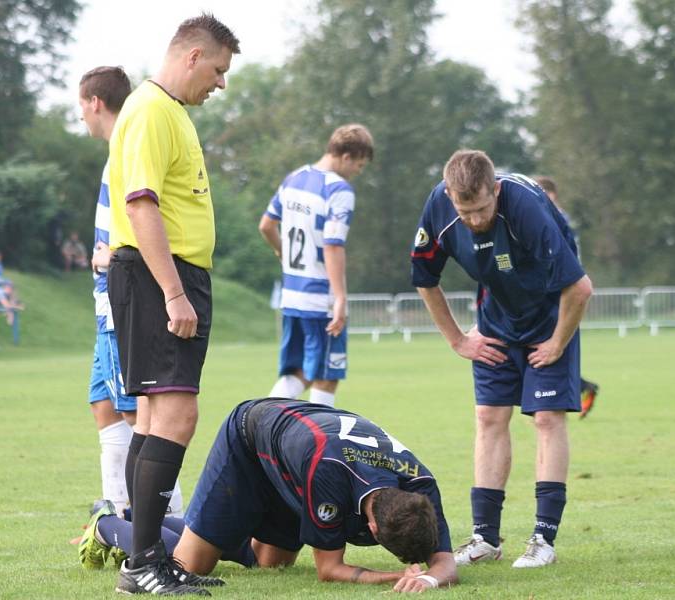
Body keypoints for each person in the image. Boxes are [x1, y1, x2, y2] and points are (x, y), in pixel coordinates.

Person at [106, 13, 240, 595]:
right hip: (160, 277)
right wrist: (175, 292)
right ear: (191, 56)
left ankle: (146, 555)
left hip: (166, 276)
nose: (221, 83)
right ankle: (143, 564)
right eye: (218, 69)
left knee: (159, 417)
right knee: (178, 416)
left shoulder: (169, 111)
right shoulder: (152, 109)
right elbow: (141, 206)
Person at [410, 150, 592, 569]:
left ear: (495, 190)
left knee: (546, 419)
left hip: (551, 317)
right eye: (464, 210)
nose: (473, 219)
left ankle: (543, 539)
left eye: (480, 209)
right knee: (489, 418)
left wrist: (558, 343)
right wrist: (457, 340)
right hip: (496, 319)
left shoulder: (525, 208)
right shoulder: (439, 205)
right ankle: (484, 538)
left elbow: (579, 288)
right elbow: (424, 278)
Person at [79, 398, 458, 595]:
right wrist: (395, 575)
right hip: (249, 437)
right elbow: (329, 571)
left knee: (270, 561)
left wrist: (428, 579)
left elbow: (445, 563)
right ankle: (109, 524)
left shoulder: (420, 485)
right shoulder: (328, 476)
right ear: (372, 527)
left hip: (294, 452)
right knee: (192, 564)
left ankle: (151, 521)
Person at [78, 65, 186, 519]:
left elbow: (140, 216)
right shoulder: (115, 151)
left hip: (121, 303)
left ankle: (166, 521)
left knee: (140, 416)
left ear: (94, 103)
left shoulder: (126, 148)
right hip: (107, 306)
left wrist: (110, 258)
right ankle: (117, 505)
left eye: (80, 105)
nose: (80, 115)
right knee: (104, 405)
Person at [258, 124, 374, 408]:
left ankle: (260, 424)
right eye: (359, 165)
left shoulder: (294, 178)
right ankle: (319, 446)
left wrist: (282, 253)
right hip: (319, 297)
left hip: (292, 296)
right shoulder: (339, 190)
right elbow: (333, 245)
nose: (358, 171)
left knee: (299, 372)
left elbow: (266, 225)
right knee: (325, 375)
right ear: (346, 156)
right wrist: (340, 298)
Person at [533, 176, 600, 419]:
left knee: (551, 352)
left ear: (553, 194)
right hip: (550, 292)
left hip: (562, 291)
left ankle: (581, 389)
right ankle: (585, 387)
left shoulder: (558, 219)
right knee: (542, 354)